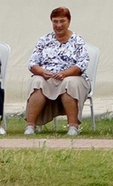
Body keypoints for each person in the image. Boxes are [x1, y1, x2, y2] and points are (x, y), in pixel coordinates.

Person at [24, 7, 91, 135]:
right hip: (48, 77)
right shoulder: (44, 40)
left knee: (69, 83)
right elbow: (32, 64)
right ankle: (30, 126)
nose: (58, 25)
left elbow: (81, 65)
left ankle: (72, 126)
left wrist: (65, 73)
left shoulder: (77, 40)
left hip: (72, 76)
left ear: (69, 21)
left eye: (62, 21)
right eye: (55, 21)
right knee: (37, 81)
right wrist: (42, 72)